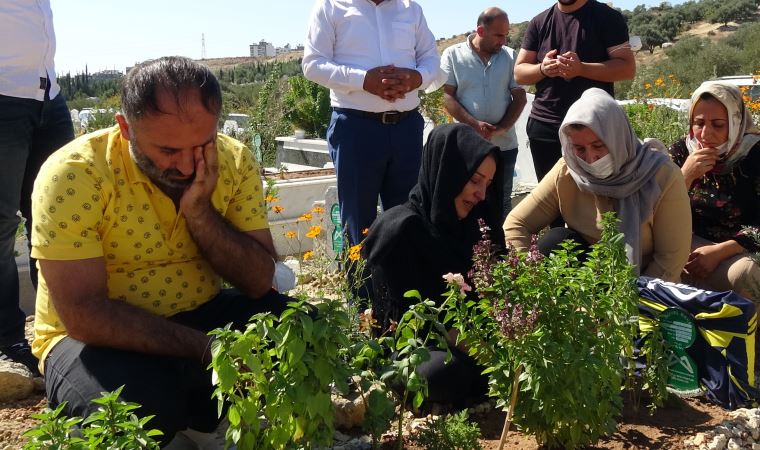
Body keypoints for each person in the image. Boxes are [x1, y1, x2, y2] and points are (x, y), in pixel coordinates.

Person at [31, 57, 294, 443]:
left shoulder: (233, 158)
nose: (189, 165)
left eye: (202, 145)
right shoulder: (75, 173)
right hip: (95, 341)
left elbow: (259, 282)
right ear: (125, 128)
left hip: (200, 315)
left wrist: (200, 213)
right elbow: (84, 315)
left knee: (294, 326)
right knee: (128, 406)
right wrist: (209, 349)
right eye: (169, 150)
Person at [362, 123, 504, 408]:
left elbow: (501, 291)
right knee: (433, 373)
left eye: (487, 184)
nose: (481, 194)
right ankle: (498, 378)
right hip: (421, 345)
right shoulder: (402, 230)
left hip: (477, 340)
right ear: (448, 171)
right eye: (475, 180)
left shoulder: (479, 222)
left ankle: (492, 379)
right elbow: (410, 326)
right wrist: (496, 357)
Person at [504, 88, 691, 281]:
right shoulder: (569, 171)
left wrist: (631, 301)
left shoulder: (662, 176)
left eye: (598, 146)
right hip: (585, 285)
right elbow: (516, 223)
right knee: (557, 240)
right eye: (579, 148)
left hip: (643, 285)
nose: (590, 158)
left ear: (617, 138)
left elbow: (670, 260)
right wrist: (530, 276)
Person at [302, 0, 440, 247]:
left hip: (406, 128)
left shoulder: (411, 9)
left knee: (407, 218)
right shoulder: (331, 6)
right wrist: (364, 80)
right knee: (357, 222)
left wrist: (416, 78)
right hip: (356, 128)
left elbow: (430, 57)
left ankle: (401, 285)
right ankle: (361, 286)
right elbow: (313, 64)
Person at [0, 0, 75, 375]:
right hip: (3, 96)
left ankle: (61, 332)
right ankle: (6, 342)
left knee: (54, 217)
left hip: (48, 96)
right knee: (0, 225)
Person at [514, 0, 635, 184]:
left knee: (597, 201)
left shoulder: (607, 17)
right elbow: (519, 73)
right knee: (552, 204)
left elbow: (627, 68)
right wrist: (542, 69)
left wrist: (582, 69)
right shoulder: (539, 22)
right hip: (545, 128)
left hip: (593, 129)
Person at [668, 81, 760, 302]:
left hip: (737, 250)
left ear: (736, 121)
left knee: (748, 274)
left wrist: (720, 252)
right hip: (686, 242)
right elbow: (655, 209)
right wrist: (685, 177)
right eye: (698, 123)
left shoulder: (754, 155)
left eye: (718, 124)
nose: (705, 134)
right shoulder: (682, 151)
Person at [441, 7, 527, 222]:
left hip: (504, 147)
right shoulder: (452, 54)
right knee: (466, 199)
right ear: (480, 30)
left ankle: (501, 253)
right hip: (468, 148)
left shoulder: (510, 56)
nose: (503, 40)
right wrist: (474, 124)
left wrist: (502, 128)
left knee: (502, 202)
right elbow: (447, 97)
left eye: (506, 35)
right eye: (499, 35)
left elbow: (520, 97)